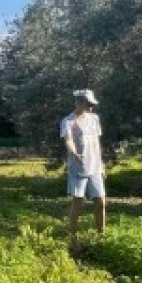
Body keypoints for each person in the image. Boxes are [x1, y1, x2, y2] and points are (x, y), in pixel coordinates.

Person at [61, 89, 106, 237]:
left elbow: (96, 142)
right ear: (79, 103)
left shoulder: (94, 119)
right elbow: (68, 140)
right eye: (89, 104)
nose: (92, 107)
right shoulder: (68, 121)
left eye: (92, 104)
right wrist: (74, 153)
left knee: (101, 202)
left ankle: (101, 236)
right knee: (78, 203)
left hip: (95, 167)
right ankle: (73, 238)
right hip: (78, 168)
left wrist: (101, 165)